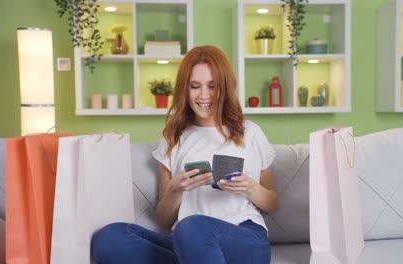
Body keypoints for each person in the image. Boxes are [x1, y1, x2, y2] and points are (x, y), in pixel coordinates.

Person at [91, 45, 278, 264]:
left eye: (212, 86)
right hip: (188, 241)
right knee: (109, 238)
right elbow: (163, 218)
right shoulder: (174, 138)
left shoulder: (250, 132)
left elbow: (272, 203)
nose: (204, 95)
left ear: (225, 88)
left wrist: (251, 188)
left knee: (193, 227)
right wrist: (175, 189)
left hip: (244, 238)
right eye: (195, 86)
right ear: (184, 89)